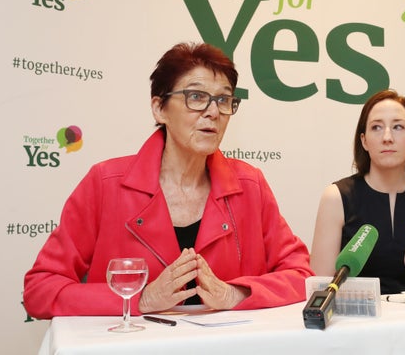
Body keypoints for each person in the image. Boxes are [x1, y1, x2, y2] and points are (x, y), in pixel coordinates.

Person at [23, 42, 312, 319]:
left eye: (223, 99)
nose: (213, 112)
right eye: (196, 97)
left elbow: (301, 276)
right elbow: (40, 290)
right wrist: (141, 299)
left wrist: (236, 294)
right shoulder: (105, 183)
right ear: (160, 108)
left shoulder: (250, 185)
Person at [310, 90, 405, 295]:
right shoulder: (336, 197)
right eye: (376, 127)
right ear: (364, 140)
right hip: (352, 322)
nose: (387, 137)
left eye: (398, 127)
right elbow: (320, 290)